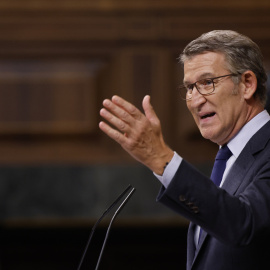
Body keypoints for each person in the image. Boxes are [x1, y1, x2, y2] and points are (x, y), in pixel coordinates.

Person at [99, 30, 270, 270]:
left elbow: (243, 224)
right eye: (190, 87)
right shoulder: (229, 160)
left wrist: (161, 158)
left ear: (247, 84)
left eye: (207, 83)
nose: (196, 100)